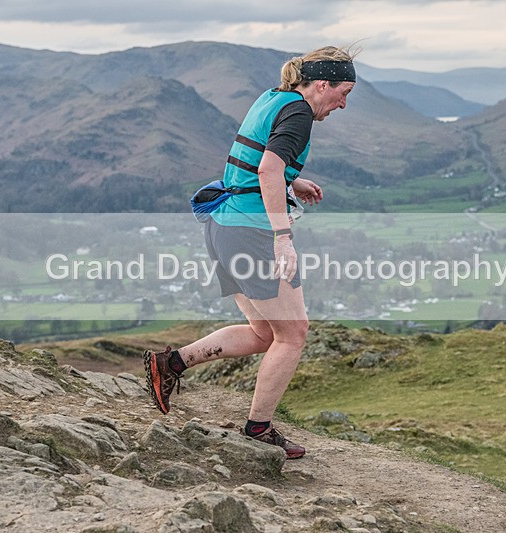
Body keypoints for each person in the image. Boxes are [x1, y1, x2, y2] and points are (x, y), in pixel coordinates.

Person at [144, 45, 357, 459]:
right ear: (321, 84)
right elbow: (267, 168)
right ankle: (258, 429)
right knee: (293, 334)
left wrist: (293, 181)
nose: (343, 104)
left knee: (266, 333)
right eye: (342, 92)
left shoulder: (274, 97)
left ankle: (170, 364)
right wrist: (282, 236)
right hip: (250, 232)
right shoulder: (298, 114)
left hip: (224, 225)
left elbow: (259, 158)